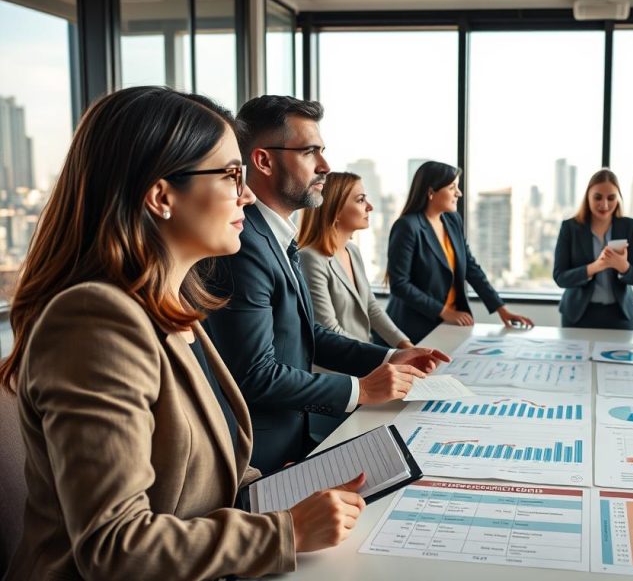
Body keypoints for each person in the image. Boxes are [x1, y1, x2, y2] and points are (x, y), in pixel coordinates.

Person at [0, 87, 368, 579]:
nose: (248, 193)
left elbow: (199, 474)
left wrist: (274, 494)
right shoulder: (94, 321)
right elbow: (115, 547)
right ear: (161, 196)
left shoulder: (175, 309)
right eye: (232, 175)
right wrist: (287, 531)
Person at [204, 96, 448, 472]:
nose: (325, 166)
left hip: (291, 438)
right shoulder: (243, 243)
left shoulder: (278, 235)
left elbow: (307, 334)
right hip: (256, 453)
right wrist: (362, 390)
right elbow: (254, 374)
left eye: (323, 151)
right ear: (264, 161)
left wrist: (387, 357)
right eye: (309, 152)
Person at [385, 160, 534, 344]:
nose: (459, 193)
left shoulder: (452, 220)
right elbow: (399, 284)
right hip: (415, 329)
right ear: (431, 192)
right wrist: (444, 312)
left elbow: (471, 267)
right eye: (452, 187)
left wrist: (501, 309)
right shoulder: (408, 227)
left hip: (451, 325)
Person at [297, 172, 414, 348]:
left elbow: (371, 307)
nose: (370, 207)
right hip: (337, 368)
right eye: (360, 200)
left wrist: (406, 345)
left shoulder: (352, 250)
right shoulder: (310, 258)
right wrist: (386, 356)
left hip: (364, 360)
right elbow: (329, 329)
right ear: (335, 211)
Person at [553, 168, 633, 329]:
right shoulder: (570, 228)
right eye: (597, 197)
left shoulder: (630, 227)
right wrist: (595, 267)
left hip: (620, 316)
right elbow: (560, 277)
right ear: (588, 197)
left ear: (618, 199)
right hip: (578, 315)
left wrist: (623, 267)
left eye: (611, 198)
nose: (604, 204)